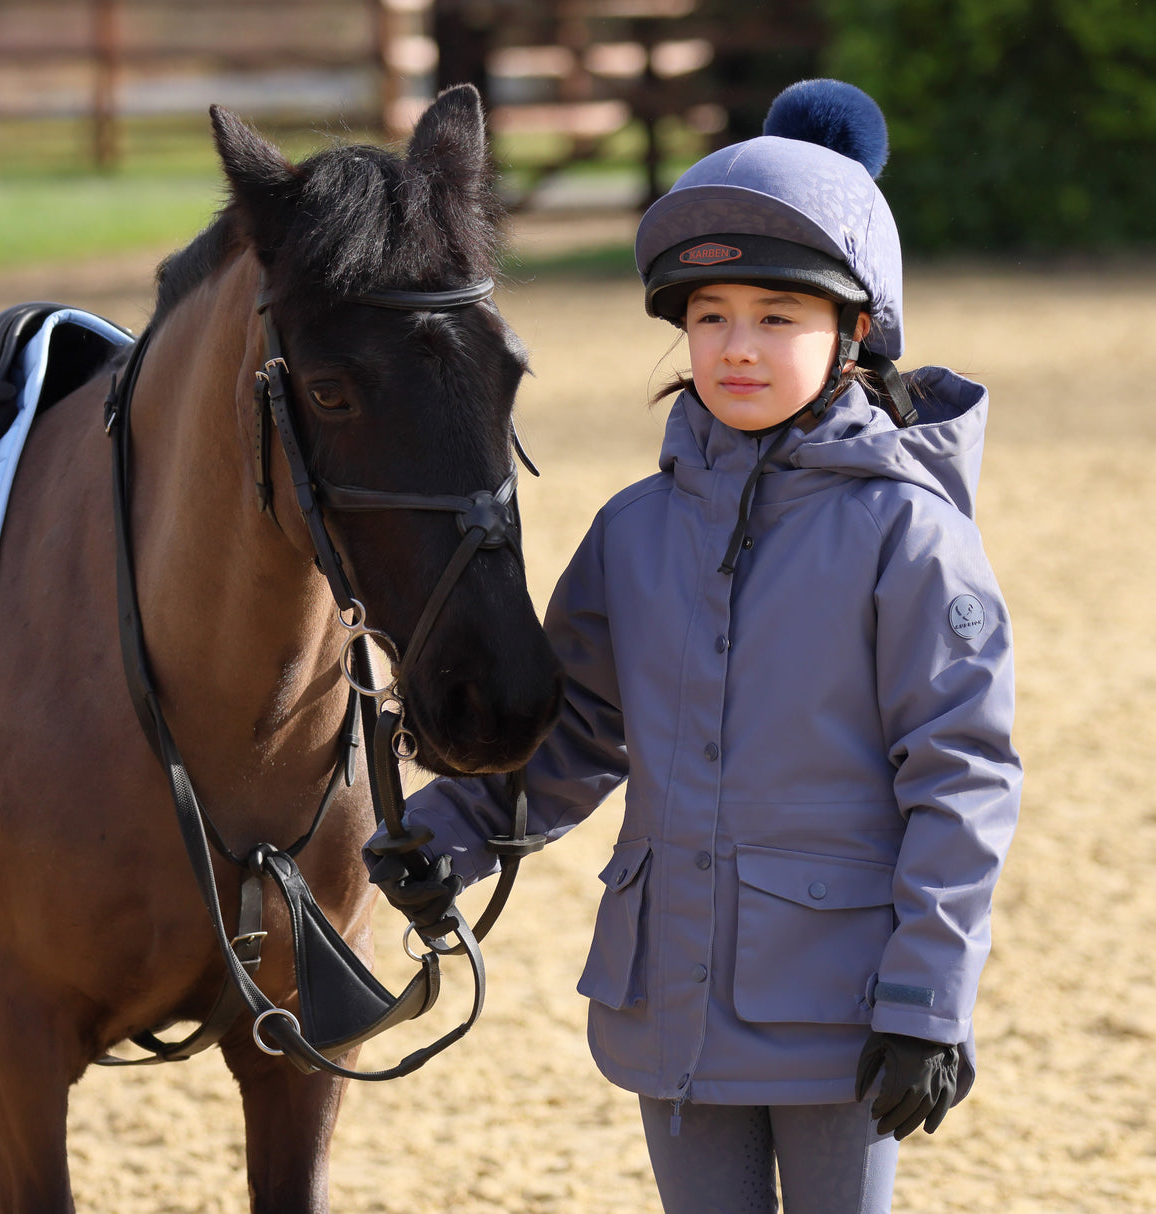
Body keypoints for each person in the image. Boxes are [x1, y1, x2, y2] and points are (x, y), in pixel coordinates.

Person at [366, 78, 1022, 1214]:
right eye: (710, 315)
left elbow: (960, 776)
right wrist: (451, 830)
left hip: (844, 1010)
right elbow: (572, 730)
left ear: (852, 330)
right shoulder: (633, 528)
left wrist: (927, 1002)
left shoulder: (908, 534)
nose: (737, 346)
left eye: (778, 316)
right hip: (665, 991)